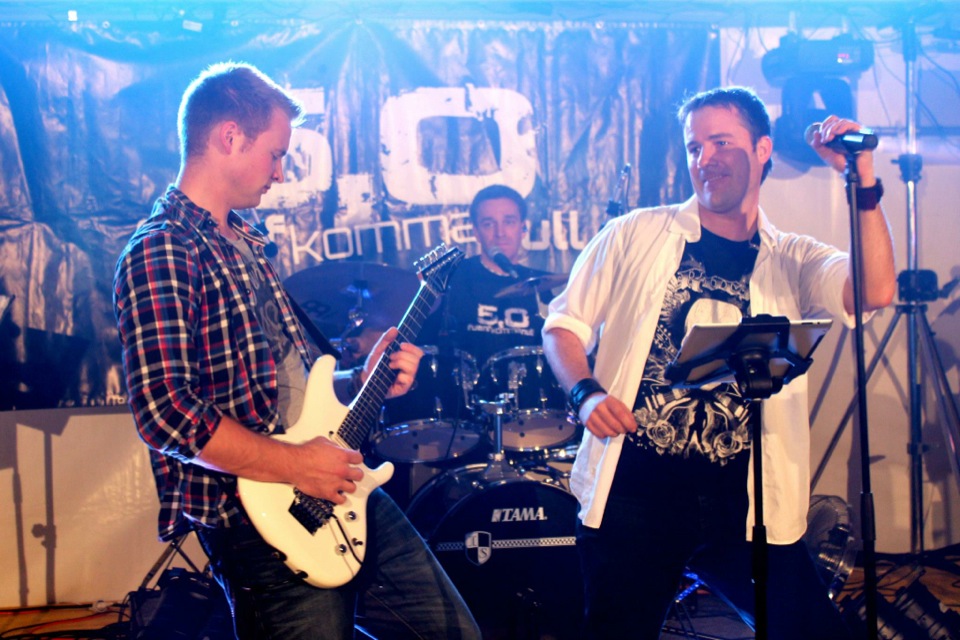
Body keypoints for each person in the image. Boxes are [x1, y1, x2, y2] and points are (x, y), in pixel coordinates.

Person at [113, 61, 480, 640]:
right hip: (257, 519)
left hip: (338, 486)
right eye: (275, 154)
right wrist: (296, 465)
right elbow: (165, 413)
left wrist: (363, 380)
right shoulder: (162, 250)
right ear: (229, 137)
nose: (280, 173)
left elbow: (291, 393)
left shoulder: (247, 244)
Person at [542, 86, 896, 639]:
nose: (705, 158)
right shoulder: (635, 233)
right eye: (694, 147)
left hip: (748, 503)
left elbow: (874, 290)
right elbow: (563, 325)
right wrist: (585, 393)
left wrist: (862, 178)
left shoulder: (792, 256)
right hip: (634, 495)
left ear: (762, 149)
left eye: (722, 142)